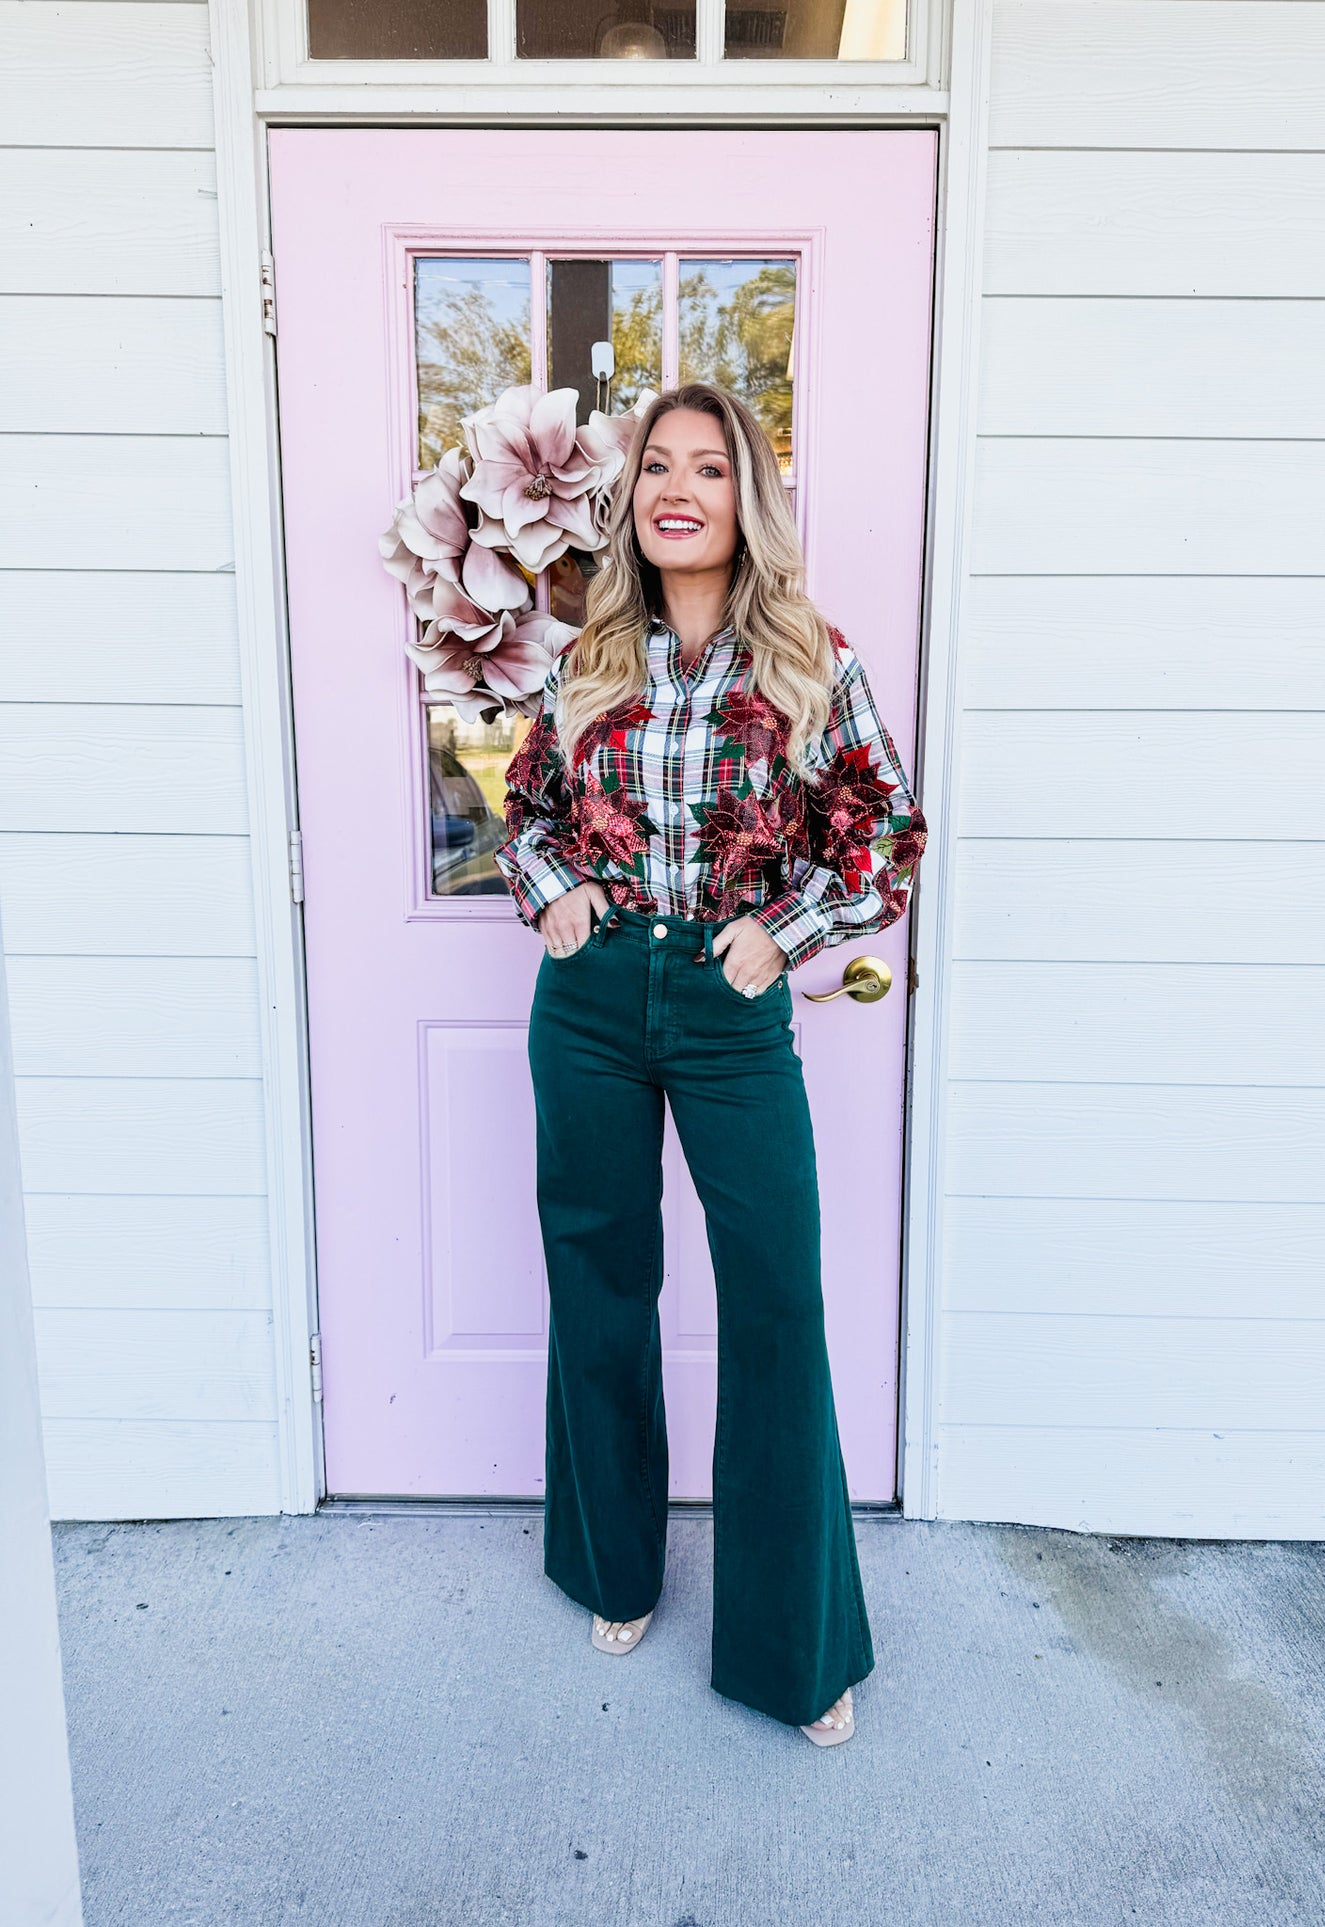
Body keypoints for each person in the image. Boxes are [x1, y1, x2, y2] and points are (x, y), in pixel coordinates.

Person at [494, 381, 927, 1748]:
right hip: (593, 998)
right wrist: (553, 889)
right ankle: (610, 1563)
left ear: (748, 500)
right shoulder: (589, 658)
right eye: (658, 468)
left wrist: (779, 933)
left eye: (711, 469)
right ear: (633, 502)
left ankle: (792, 1646)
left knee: (776, 1309)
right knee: (601, 1282)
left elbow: (882, 835)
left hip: (733, 1009)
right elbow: (526, 817)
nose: (680, 489)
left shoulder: (808, 655)